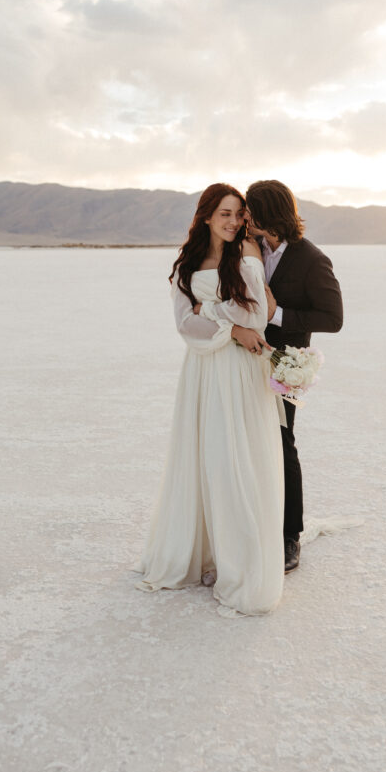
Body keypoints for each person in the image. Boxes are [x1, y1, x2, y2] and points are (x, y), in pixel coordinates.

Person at [135, 183, 284, 617]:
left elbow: (255, 315)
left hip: (240, 371)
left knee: (236, 457)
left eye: (239, 213)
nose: (234, 221)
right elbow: (184, 325)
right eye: (225, 213)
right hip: (203, 371)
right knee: (207, 455)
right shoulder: (186, 264)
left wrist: (214, 316)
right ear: (205, 216)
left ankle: (239, 560)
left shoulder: (248, 256)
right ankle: (200, 552)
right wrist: (228, 326)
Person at [230, 180, 343, 573]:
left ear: (269, 214)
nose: (244, 216)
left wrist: (276, 315)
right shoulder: (249, 247)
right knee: (246, 441)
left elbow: (333, 319)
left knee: (282, 444)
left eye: (250, 210)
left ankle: (288, 535)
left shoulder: (312, 259)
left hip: (284, 364)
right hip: (243, 358)